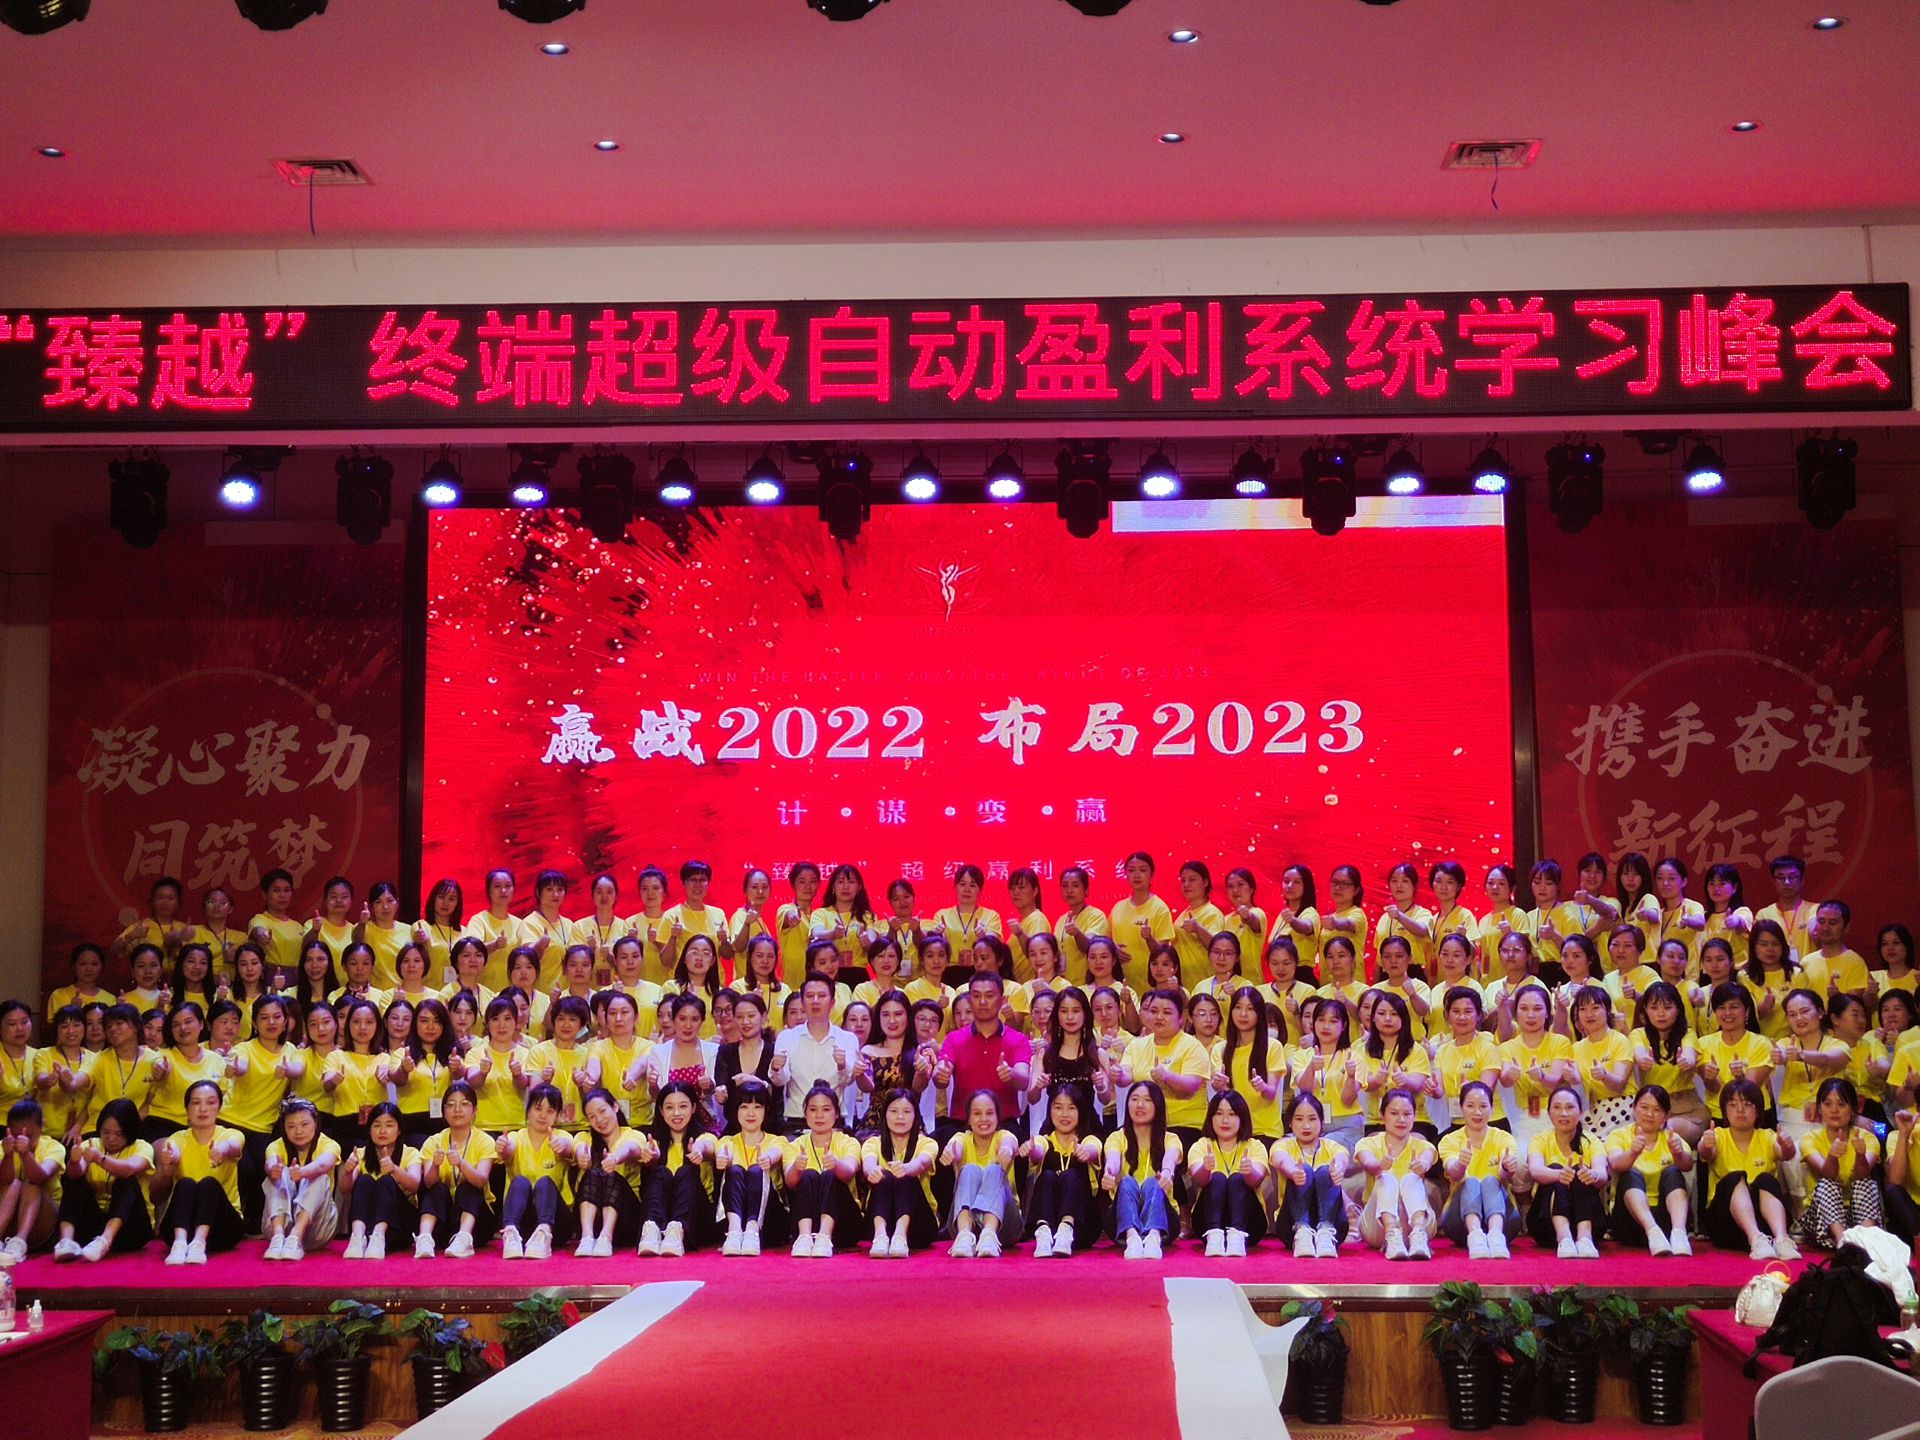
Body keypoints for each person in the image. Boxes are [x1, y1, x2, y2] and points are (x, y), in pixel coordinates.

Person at [223, 994, 301, 1232]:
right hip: (230, 1121)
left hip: (263, 1128)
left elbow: (298, 1069)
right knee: (244, 1167)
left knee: (266, 1166)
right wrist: (235, 1068)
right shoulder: (244, 1048)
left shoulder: (291, 1050)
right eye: (264, 1018)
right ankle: (231, 1220)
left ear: (286, 1022)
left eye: (277, 1017)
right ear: (255, 1023)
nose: (271, 1022)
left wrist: (288, 1070)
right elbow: (240, 1064)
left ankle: (253, 1224)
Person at [1698, 1077, 1799, 1259]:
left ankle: (1782, 1239)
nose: (1740, 1110)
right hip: (1726, 1222)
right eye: (1733, 1104)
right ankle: (1755, 1239)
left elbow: (1786, 1154)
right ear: (1724, 1111)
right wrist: (1706, 1144)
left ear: (1758, 1110)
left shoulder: (1767, 1136)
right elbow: (1706, 1153)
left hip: (1764, 1219)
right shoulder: (1718, 1135)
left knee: (1766, 1180)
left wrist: (1788, 1145)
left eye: (1747, 1104)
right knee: (1735, 1178)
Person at [154, 1078, 244, 1265]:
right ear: (187, 1109)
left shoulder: (231, 1134)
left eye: (210, 1103)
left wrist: (222, 1150)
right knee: (186, 1183)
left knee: (208, 1183)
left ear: (219, 1107)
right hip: (182, 1225)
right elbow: (173, 1150)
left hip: (221, 1229)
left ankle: (199, 1243)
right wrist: (171, 1160)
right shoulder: (176, 1139)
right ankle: (179, 1244)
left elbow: (234, 1146)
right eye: (196, 1103)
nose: (203, 1109)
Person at [52, 1097, 153, 1261]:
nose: (111, 1138)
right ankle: (66, 1242)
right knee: (75, 1182)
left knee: (125, 1180)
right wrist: (74, 1162)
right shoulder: (90, 1144)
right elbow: (75, 1174)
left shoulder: (142, 1147)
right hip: (94, 1225)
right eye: (106, 1132)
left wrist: (100, 1159)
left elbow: (128, 1169)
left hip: (131, 1229)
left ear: (130, 1131)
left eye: (119, 1134)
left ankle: (105, 1240)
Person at [1791, 1077, 1883, 1251]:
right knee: (1827, 1184)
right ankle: (1843, 1244)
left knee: (1866, 1184)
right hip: (1822, 1219)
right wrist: (1832, 1156)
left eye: (1841, 1104)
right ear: (1819, 1108)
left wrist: (1860, 1155)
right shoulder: (1810, 1139)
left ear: (1853, 1109)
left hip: (1858, 1216)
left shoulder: (1867, 1138)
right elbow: (1828, 1174)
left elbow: (1862, 1174)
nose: (1834, 1110)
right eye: (1827, 1104)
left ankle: (1868, 1241)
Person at [1605, 1085, 1694, 1256]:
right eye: (1644, 1107)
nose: (1649, 1114)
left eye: (1657, 1110)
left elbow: (1687, 1165)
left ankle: (1679, 1233)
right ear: (1634, 1108)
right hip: (1631, 1220)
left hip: (1666, 1218)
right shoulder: (1619, 1135)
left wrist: (1678, 1154)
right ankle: (1652, 1232)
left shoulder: (1671, 1138)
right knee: (1630, 1174)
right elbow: (1615, 1164)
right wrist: (1633, 1153)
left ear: (1666, 1115)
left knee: (1673, 1172)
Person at [1436, 1081, 1521, 1259]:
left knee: (1490, 1180)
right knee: (1471, 1182)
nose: (1477, 1112)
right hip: (1459, 1224)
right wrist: (1461, 1164)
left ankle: (1496, 1237)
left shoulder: (1503, 1137)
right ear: (1461, 1108)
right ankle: (1475, 1235)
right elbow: (1453, 1172)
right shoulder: (1449, 1140)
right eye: (1470, 1106)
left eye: (1483, 1106)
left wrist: (1507, 1167)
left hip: (1504, 1221)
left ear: (1492, 1108)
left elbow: (1503, 1174)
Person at [1526, 1085, 1608, 1258]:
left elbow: (1602, 1174)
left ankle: (1584, 1238)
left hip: (1588, 1222)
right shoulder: (1540, 1139)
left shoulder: (1592, 1142)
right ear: (1549, 1113)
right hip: (1546, 1224)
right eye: (1557, 1107)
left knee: (1581, 1171)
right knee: (1556, 1168)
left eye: (1570, 1107)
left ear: (1580, 1113)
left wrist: (1592, 1175)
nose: (1563, 1113)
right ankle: (1564, 1238)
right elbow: (1535, 1170)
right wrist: (1559, 1175)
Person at [1354, 1088, 1437, 1260]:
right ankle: (1392, 1235)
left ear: (1414, 1116)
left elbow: (1427, 1159)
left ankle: (1418, 1236)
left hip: (1416, 1221)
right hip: (1377, 1227)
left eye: (1407, 1114)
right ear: (1382, 1115)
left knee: (1411, 1178)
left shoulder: (1422, 1145)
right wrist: (1379, 1166)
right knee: (1386, 1177)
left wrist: (1422, 1165)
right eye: (1394, 1113)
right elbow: (1368, 1163)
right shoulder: (1367, 1143)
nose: (1401, 1119)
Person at [416, 1081, 496, 1258]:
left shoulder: (485, 1140)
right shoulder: (433, 1141)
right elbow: (428, 1182)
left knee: (469, 1186)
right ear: (444, 1111)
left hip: (477, 1223)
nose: (457, 1109)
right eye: (451, 1105)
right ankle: (425, 1238)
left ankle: (464, 1238)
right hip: (443, 1220)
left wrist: (461, 1164)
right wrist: (435, 1165)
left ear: (475, 1110)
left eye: (464, 1104)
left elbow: (481, 1180)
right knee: (437, 1188)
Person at [498, 1083, 575, 1259]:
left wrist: (562, 1147)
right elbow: (508, 1149)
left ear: (558, 1115)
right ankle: (510, 1233)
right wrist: (503, 1147)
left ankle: (544, 1233)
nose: (543, 1115)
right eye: (538, 1108)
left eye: (550, 1110)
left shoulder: (562, 1137)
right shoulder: (515, 1137)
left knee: (545, 1182)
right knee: (520, 1181)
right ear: (528, 1110)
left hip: (557, 1223)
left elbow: (569, 1148)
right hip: (523, 1220)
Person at [1188, 1089, 1268, 1256]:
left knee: (1237, 1179)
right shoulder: (1201, 1145)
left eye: (1232, 1114)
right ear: (1211, 1117)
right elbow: (1198, 1180)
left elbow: (1256, 1180)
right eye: (1219, 1114)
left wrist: (1249, 1172)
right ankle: (1214, 1236)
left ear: (1242, 1117)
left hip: (1249, 1226)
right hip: (1206, 1225)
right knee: (1217, 1177)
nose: (1225, 1120)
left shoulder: (1255, 1146)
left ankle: (1236, 1236)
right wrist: (1205, 1169)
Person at [772, 974, 857, 1132]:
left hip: (834, 1124)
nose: (815, 1001)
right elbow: (780, 1081)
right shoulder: (786, 1037)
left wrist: (842, 1065)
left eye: (822, 996)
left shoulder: (847, 1039)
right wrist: (776, 1068)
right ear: (803, 1002)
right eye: (810, 996)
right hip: (796, 1123)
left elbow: (848, 1080)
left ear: (832, 1003)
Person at [638, 1081, 714, 1256]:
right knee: (661, 1172)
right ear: (661, 1111)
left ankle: (677, 1231)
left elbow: (708, 1147)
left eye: (683, 1106)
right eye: (669, 1107)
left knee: (686, 1171)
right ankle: (652, 1230)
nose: (676, 1113)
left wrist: (698, 1151)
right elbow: (642, 1152)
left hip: (697, 1218)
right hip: (662, 1212)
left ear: (693, 1108)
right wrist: (652, 1160)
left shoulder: (704, 1138)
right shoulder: (652, 1142)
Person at [782, 1082, 859, 1257]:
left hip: (843, 1223)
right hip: (807, 1219)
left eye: (826, 1109)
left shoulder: (848, 1142)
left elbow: (849, 1171)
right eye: (813, 1109)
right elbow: (789, 1182)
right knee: (808, 1174)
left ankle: (825, 1236)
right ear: (805, 1113)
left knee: (829, 1175)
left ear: (836, 1113)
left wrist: (836, 1163)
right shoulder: (794, 1145)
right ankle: (804, 1237)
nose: (819, 1115)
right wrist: (796, 1168)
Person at [260, 1097, 341, 1262]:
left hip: (317, 1229)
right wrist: (273, 1169)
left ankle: (296, 1237)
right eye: (291, 1126)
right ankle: (278, 1237)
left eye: (304, 1124)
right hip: (280, 1225)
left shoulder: (329, 1144)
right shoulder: (276, 1145)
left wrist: (302, 1172)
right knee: (278, 1174)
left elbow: (323, 1164)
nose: (298, 1131)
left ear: (315, 1123)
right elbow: (271, 1162)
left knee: (319, 1176)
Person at [863, 1087, 940, 1258]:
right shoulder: (872, 1143)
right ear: (884, 1115)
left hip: (918, 1225)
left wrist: (906, 1168)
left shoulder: (927, 1143)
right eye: (894, 1111)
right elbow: (868, 1164)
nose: (900, 1117)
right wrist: (872, 1171)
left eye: (906, 1111)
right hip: (879, 1220)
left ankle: (900, 1236)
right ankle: (880, 1236)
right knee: (884, 1176)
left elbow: (921, 1163)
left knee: (906, 1176)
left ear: (915, 1115)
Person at [571, 1087, 648, 1257]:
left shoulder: (634, 1135)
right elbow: (578, 1148)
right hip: (591, 1219)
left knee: (610, 1175)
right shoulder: (584, 1138)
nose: (599, 1120)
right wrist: (582, 1157)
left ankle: (606, 1237)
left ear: (615, 1107)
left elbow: (632, 1148)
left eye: (602, 1111)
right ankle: (587, 1238)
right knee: (593, 1173)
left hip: (625, 1217)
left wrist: (616, 1158)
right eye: (592, 1116)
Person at [1105, 1080, 1178, 1259]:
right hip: (1121, 1223)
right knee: (1127, 1181)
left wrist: (1167, 1172)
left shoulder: (1170, 1138)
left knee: (1154, 1182)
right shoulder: (1117, 1137)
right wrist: (1110, 1172)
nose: (1140, 1105)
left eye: (1147, 1100)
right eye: (1134, 1099)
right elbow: (1113, 1157)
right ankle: (1133, 1238)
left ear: (1158, 1105)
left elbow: (1171, 1157)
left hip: (1164, 1224)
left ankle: (1153, 1237)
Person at [338, 1102, 421, 1259]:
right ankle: (358, 1237)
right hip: (366, 1221)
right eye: (376, 1125)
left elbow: (414, 1185)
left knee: (386, 1181)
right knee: (364, 1180)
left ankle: (378, 1236)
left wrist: (394, 1169)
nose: (382, 1131)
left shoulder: (410, 1153)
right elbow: (345, 1189)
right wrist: (348, 1171)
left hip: (398, 1224)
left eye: (389, 1125)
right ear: (369, 1130)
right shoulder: (360, 1153)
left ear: (399, 1130)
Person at [1271, 1093, 1348, 1258]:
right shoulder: (1282, 1145)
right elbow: (1281, 1160)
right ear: (1290, 1122)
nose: (1306, 1125)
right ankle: (1303, 1231)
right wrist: (1293, 1172)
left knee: (1326, 1171)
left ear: (1321, 1121)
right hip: (1290, 1226)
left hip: (1334, 1227)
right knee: (1304, 1170)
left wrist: (1338, 1170)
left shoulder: (1333, 1146)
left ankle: (1325, 1232)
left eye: (1312, 1119)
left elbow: (1341, 1159)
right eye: (1299, 1119)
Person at [943, 1088, 1017, 1257]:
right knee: (970, 1169)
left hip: (1004, 1226)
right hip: (966, 1222)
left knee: (994, 1169)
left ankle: (989, 1235)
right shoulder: (962, 1138)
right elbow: (955, 1148)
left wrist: (1006, 1149)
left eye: (989, 1113)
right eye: (977, 1113)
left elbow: (1010, 1143)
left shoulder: (1003, 1136)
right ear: (969, 1119)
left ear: (997, 1117)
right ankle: (964, 1236)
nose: (984, 1119)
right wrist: (950, 1152)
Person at [716, 1077, 784, 1256]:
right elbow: (722, 1152)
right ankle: (734, 1232)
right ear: (736, 1111)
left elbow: (777, 1152)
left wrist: (768, 1158)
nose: (751, 1113)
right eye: (744, 1107)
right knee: (735, 1170)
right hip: (736, 1216)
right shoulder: (727, 1141)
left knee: (756, 1170)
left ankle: (752, 1231)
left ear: (766, 1110)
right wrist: (723, 1159)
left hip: (769, 1219)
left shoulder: (777, 1141)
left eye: (757, 1107)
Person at [0, 1099, 64, 1264]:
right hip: (9, 1218)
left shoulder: (54, 1147)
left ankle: (19, 1242)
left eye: (28, 1136)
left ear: (41, 1126)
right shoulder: (3, 1146)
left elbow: (39, 1177)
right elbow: (4, 1180)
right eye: (17, 1136)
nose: (23, 1140)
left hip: (44, 1220)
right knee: (13, 1184)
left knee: (31, 1185)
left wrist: (26, 1154)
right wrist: (8, 1156)